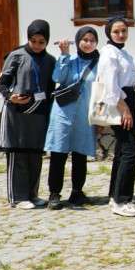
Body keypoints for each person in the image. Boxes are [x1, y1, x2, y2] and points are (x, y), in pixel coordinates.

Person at [0, 20, 56, 209]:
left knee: (35, 155)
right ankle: (18, 197)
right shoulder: (16, 56)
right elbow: (2, 83)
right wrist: (10, 97)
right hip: (17, 114)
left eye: (42, 42)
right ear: (28, 39)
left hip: (38, 114)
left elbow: (50, 88)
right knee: (19, 154)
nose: (37, 45)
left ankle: (33, 194)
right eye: (34, 41)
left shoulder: (50, 60)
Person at [43, 26, 99, 209]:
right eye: (85, 39)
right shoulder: (70, 59)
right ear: (78, 41)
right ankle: (54, 193)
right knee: (58, 153)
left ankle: (77, 192)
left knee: (80, 154)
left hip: (84, 115)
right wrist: (64, 55)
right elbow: (57, 76)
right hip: (63, 112)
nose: (88, 43)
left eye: (92, 40)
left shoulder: (100, 63)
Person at [97, 17, 135, 217]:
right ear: (109, 33)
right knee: (131, 151)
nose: (121, 34)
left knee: (123, 150)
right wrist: (124, 109)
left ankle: (114, 194)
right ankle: (121, 200)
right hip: (121, 103)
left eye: (124, 30)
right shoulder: (109, 54)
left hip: (129, 99)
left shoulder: (122, 51)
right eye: (116, 31)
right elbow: (110, 87)